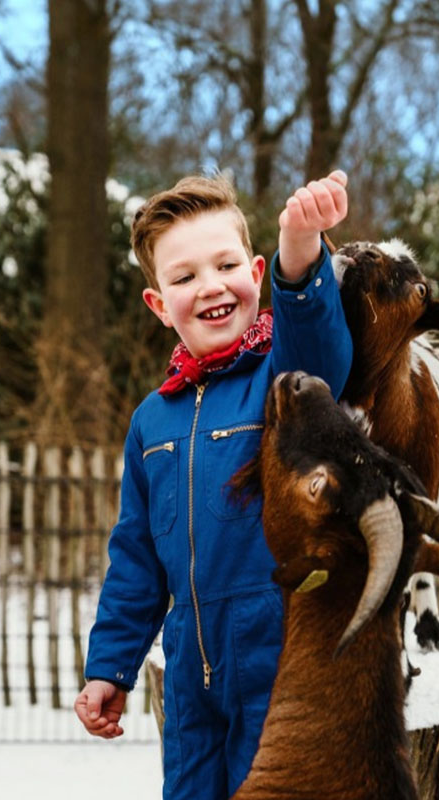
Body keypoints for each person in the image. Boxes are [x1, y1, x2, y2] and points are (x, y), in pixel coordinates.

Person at [74, 169, 353, 799]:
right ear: (159, 305)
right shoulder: (153, 420)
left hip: (281, 658)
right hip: (190, 675)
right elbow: (137, 557)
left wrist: (300, 248)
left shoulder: (284, 381)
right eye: (184, 276)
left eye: (226, 265)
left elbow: (320, 349)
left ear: (257, 276)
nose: (210, 286)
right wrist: (111, 666)